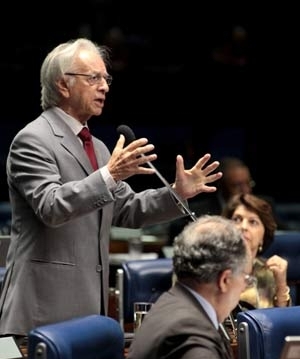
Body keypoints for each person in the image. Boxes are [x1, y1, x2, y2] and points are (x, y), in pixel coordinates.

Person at [0, 38, 222, 338]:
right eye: (94, 78)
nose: (104, 86)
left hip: (89, 310)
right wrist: (110, 174)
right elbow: (51, 207)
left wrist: (176, 193)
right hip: (42, 311)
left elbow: (126, 210)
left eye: (106, 78)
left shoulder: (100, 148)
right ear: (63, 85)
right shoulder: (33, 140)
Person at [121, 215, 267, 359]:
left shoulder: (178, 303)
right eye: (245, 279)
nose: (244, 286)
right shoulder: (185, 326)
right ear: (225, 280)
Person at [167, 156, 287, 244]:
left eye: (248, 183)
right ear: (221, 186)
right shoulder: (199, 211)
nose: (245, 190)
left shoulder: (262, 205)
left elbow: (283, 233)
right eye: (237, 185)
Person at [222, 193, 291, 311]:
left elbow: (283, 323)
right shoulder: (212, 268)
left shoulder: (270, 273)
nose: (243, 226)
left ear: (263, 238)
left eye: (253, 222)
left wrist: (281, 285)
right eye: (237, 219)